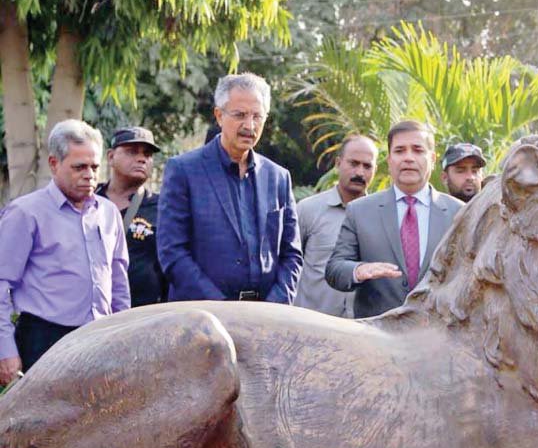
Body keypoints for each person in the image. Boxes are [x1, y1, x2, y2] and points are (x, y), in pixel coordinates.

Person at [0, 119, 130, 384]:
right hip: (43, 341)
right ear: (54, 164)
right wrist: (5, 351)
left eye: (94, 167)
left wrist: (125, 337)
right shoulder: (25, 213)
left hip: (101, 339)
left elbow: (118, 285)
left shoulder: (108, 214)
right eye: (79, 167)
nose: (90, 175)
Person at [158, 72, 303, 303]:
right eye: (240, 115)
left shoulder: (278, 178)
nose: (249, 125)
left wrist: (275, 306)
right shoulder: (184, 171)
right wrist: (222, 308)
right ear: (219, 115)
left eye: (258, 116)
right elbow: (172, 253)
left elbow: (292, 254)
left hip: (266, 319)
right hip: (202, 317)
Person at [325, 120, 464, 318]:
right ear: (389, 160)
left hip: (438, 337)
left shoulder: (458, 214)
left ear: (432, 159)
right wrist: (359, 270)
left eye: (417, 150)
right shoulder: (360, 211)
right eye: (400, 151)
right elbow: (334, 269)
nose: (408, 158)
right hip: (376, 337)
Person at [295, 135, 378, 317]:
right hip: (312, 327)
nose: (360, 173)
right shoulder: (308, 210)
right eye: (353, 163)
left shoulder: (381, 217)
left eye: (367, 166)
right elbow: (288, 264)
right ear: (338, 163)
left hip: (361, 331)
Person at [96, 127, 167, 307]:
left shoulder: (163, 207)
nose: (142, 158)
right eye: (132, 152)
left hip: (142, 315)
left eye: (148, 154)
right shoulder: (89, 202)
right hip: (91, 312)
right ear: (111, 157)